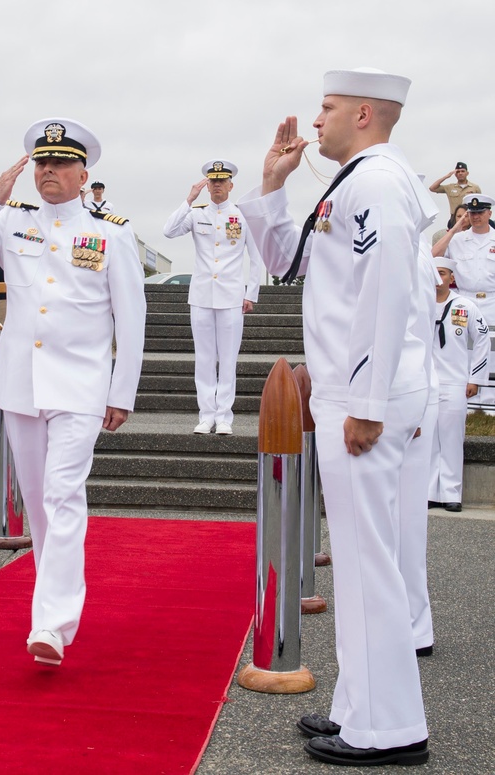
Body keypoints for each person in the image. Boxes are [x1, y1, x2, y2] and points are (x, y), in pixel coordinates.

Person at [237, 67, 434, 767]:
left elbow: (383, 294)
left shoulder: (378, 181)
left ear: (363, 113)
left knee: (365, 563)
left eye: (325, 110)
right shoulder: (356, 180)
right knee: (356, 564)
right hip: (355, 390)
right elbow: (286, 262)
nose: (313, 123)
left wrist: (369, 404)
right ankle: (362, 708)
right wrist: (272, 183)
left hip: (366, 394)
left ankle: (390, 728)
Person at [0, 119, 146, 667]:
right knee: (41, 505)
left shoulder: (111, 233)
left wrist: (123, 390)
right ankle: (53, 604)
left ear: (83, 173)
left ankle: (51, 622)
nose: (48, 171)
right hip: (22, 383)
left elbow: (132, 319)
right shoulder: (10, 223)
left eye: (61, 163)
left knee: (64, 495)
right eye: (42, 163)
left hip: (81, 385)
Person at [163, 160, 262, 435]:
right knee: (204, 359)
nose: (217, 185)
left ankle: (225, 417)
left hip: (231, 296)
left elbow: (256, 258)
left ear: (231, 185)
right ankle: (206, 415)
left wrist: (250, 292)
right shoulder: (196, 214)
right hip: (202, 296)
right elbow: (168, 231)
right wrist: (189, 199)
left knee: (228, 359)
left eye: (222, 181)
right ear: (207, 185)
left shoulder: (243, 217)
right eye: (213, 181)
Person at [429, 257, 489, 511]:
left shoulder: (465, 306)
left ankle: (452, 493)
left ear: (451, 278)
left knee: (452, 438)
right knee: (429, 440)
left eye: (442, 273)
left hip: (455, 381)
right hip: (427, 382)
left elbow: (482, 339)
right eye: (434, 273)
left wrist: (475, 378)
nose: (438, 278)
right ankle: (431, 492)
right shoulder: (420, 305)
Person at [433, 194, 495, 409]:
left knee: (490, 349)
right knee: (460, 347)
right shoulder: (458, 239)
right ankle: (466, 400)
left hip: (492, 300)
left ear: (489, 213)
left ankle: (487, 403)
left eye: (480, 212)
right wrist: (455, 228)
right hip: (464, 298)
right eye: (472, 212)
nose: (476, 216)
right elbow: (433, 257)